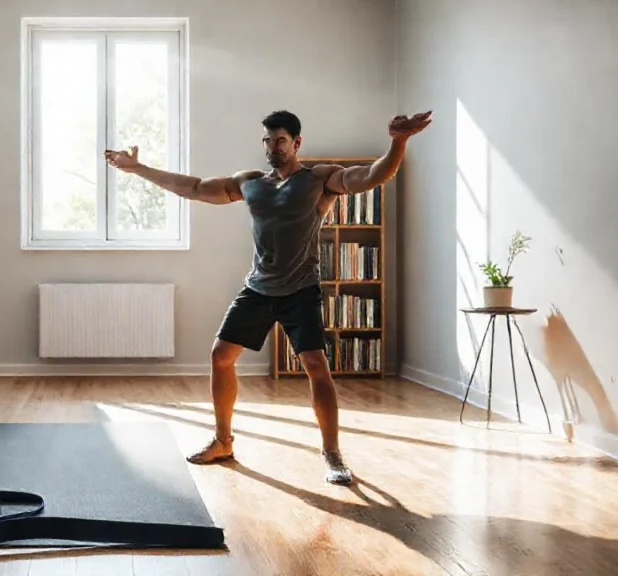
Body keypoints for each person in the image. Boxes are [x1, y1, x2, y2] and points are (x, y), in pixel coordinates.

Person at [104, 109, 432, 484]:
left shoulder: (319, 179)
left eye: (280, 141)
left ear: (296, 143)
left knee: (315, 366)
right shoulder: (250, 183)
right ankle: (223, 441)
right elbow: (192, 188)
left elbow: (373, 176)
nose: (272, 147)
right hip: (258, 288)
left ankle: (332, 454)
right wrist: (138, 168)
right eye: (267, 141)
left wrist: (398, 141)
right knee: (220, 356)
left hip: (300, 290)